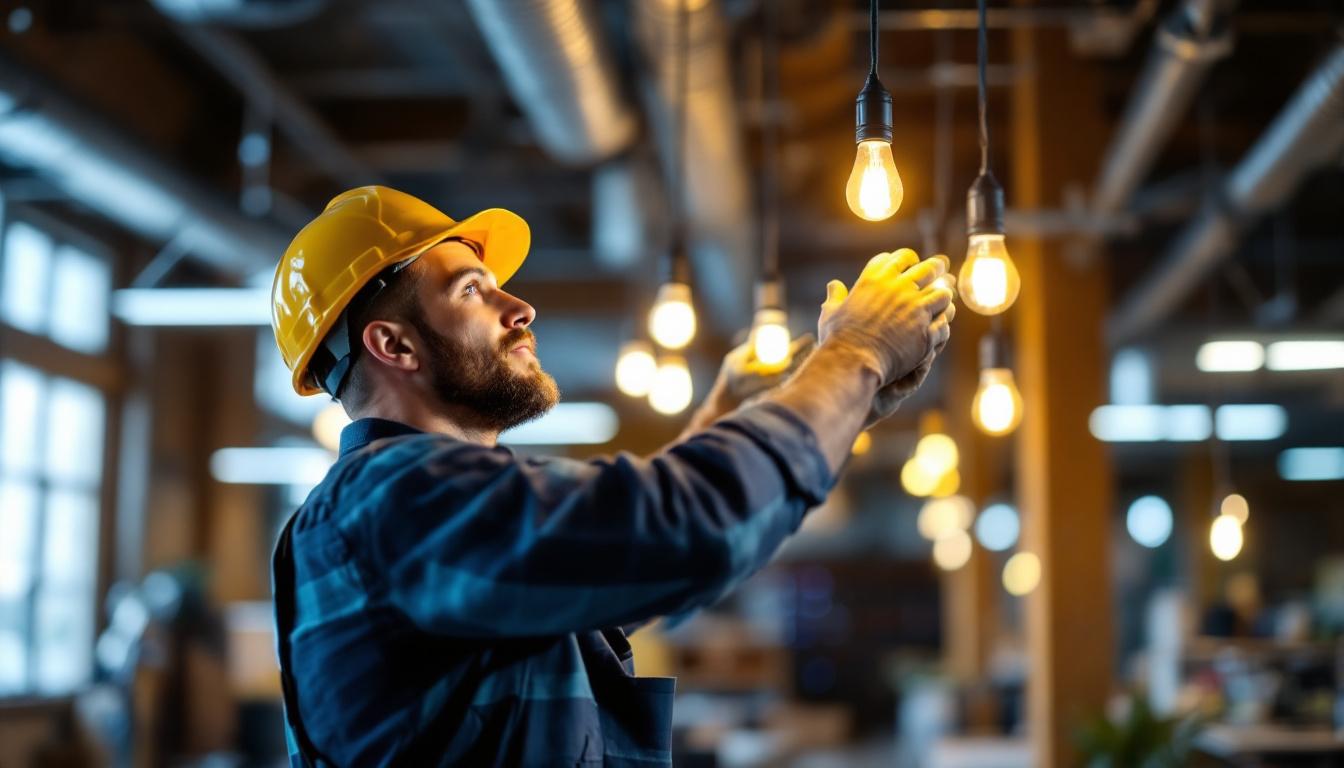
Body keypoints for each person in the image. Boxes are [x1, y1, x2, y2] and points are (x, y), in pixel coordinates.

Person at [268, 186, 955, 767]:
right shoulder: (391, 499)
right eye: (473, 290)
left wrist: (813, 404)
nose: (520, 308)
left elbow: (611, 563)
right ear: (393, 344)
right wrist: (855, 354)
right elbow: (676, 531)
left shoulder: (419, 505)